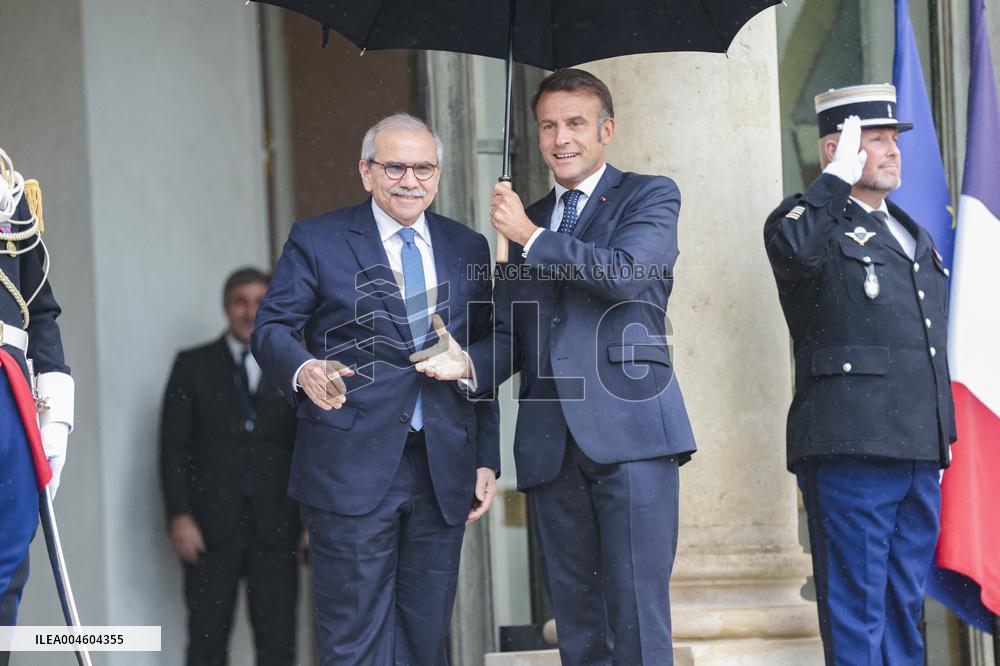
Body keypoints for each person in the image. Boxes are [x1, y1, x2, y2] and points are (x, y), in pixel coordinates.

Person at [416, 69, 696, 665]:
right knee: (580, 631)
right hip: (550, 445)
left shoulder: (648, 194)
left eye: (575, 123)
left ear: (606, 130)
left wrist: (531, 235)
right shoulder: (524, 218)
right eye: (548, 125)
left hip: (631, 436)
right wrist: (466, 361)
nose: (560, 138)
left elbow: (624, 275)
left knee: (638, 622)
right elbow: (515, 338)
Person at [251, 113, 500, 666]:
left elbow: (480, 353)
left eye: (423, 167)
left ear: (438, 174)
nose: (410, 180)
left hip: (443, 466)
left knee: (425, 637)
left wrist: (486, 457)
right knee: (353, 638)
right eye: (394, 166)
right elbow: (271, 328)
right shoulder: (318, 238)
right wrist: (304, 368)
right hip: (348, 461)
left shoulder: (469, 246)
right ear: (366, 172)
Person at [763, 84, 955, 666]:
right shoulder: (808, 220)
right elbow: (793, 251)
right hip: (852, 448)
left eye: (894, 139)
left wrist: (940, 441)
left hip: (918, 450)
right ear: (835, 148)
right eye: (875, 140)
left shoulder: (910, 232)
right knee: (856, 610)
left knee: (902, 607)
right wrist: (833, 183)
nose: (893, 151)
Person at [160, 267, 304, 666]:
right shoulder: (192, 365)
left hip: (276, 527)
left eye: (260, 302)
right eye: (240, 301)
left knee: (278, 644)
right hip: (209, 529)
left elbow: (306, 449)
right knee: (207, 641)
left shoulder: (292, 366)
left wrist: (311, 523)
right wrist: (179, 516)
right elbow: (172, 448)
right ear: (226, 307)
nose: (250, 312)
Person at [0, 148, 74, 646]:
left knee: (7, 569)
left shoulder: (9, 192)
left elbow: (40, 310)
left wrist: (56, 416)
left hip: (9, 395)